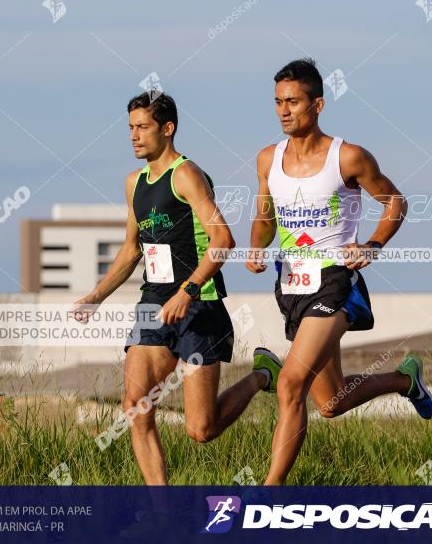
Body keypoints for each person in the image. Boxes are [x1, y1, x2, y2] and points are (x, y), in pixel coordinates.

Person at [73, 92, 282, 485]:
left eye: (143, 127)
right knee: (135, 408)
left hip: (198, 305)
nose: (134, 136)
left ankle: (261, 376)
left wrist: (186, 291)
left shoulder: (187, 175)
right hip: (153, 302)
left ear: (167, 129)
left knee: (201, 430)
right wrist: (96, 297)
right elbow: (132, 248)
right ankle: (163, 515)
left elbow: (223, 240)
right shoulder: (134, 183)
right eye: (131, 128)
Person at [246, 58, 432, 485]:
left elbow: (395, 202)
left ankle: (269, 493)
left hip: (335, 280)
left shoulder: (347, 156)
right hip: (292, 283)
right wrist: (257, 246)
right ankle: (405, 381)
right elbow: (265, 215)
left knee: (290, 382)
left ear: (318, 104)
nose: (283, 110)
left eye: (293, 101)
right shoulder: (267, 159)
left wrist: (372, 245)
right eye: (278, 102)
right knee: (330, 403)